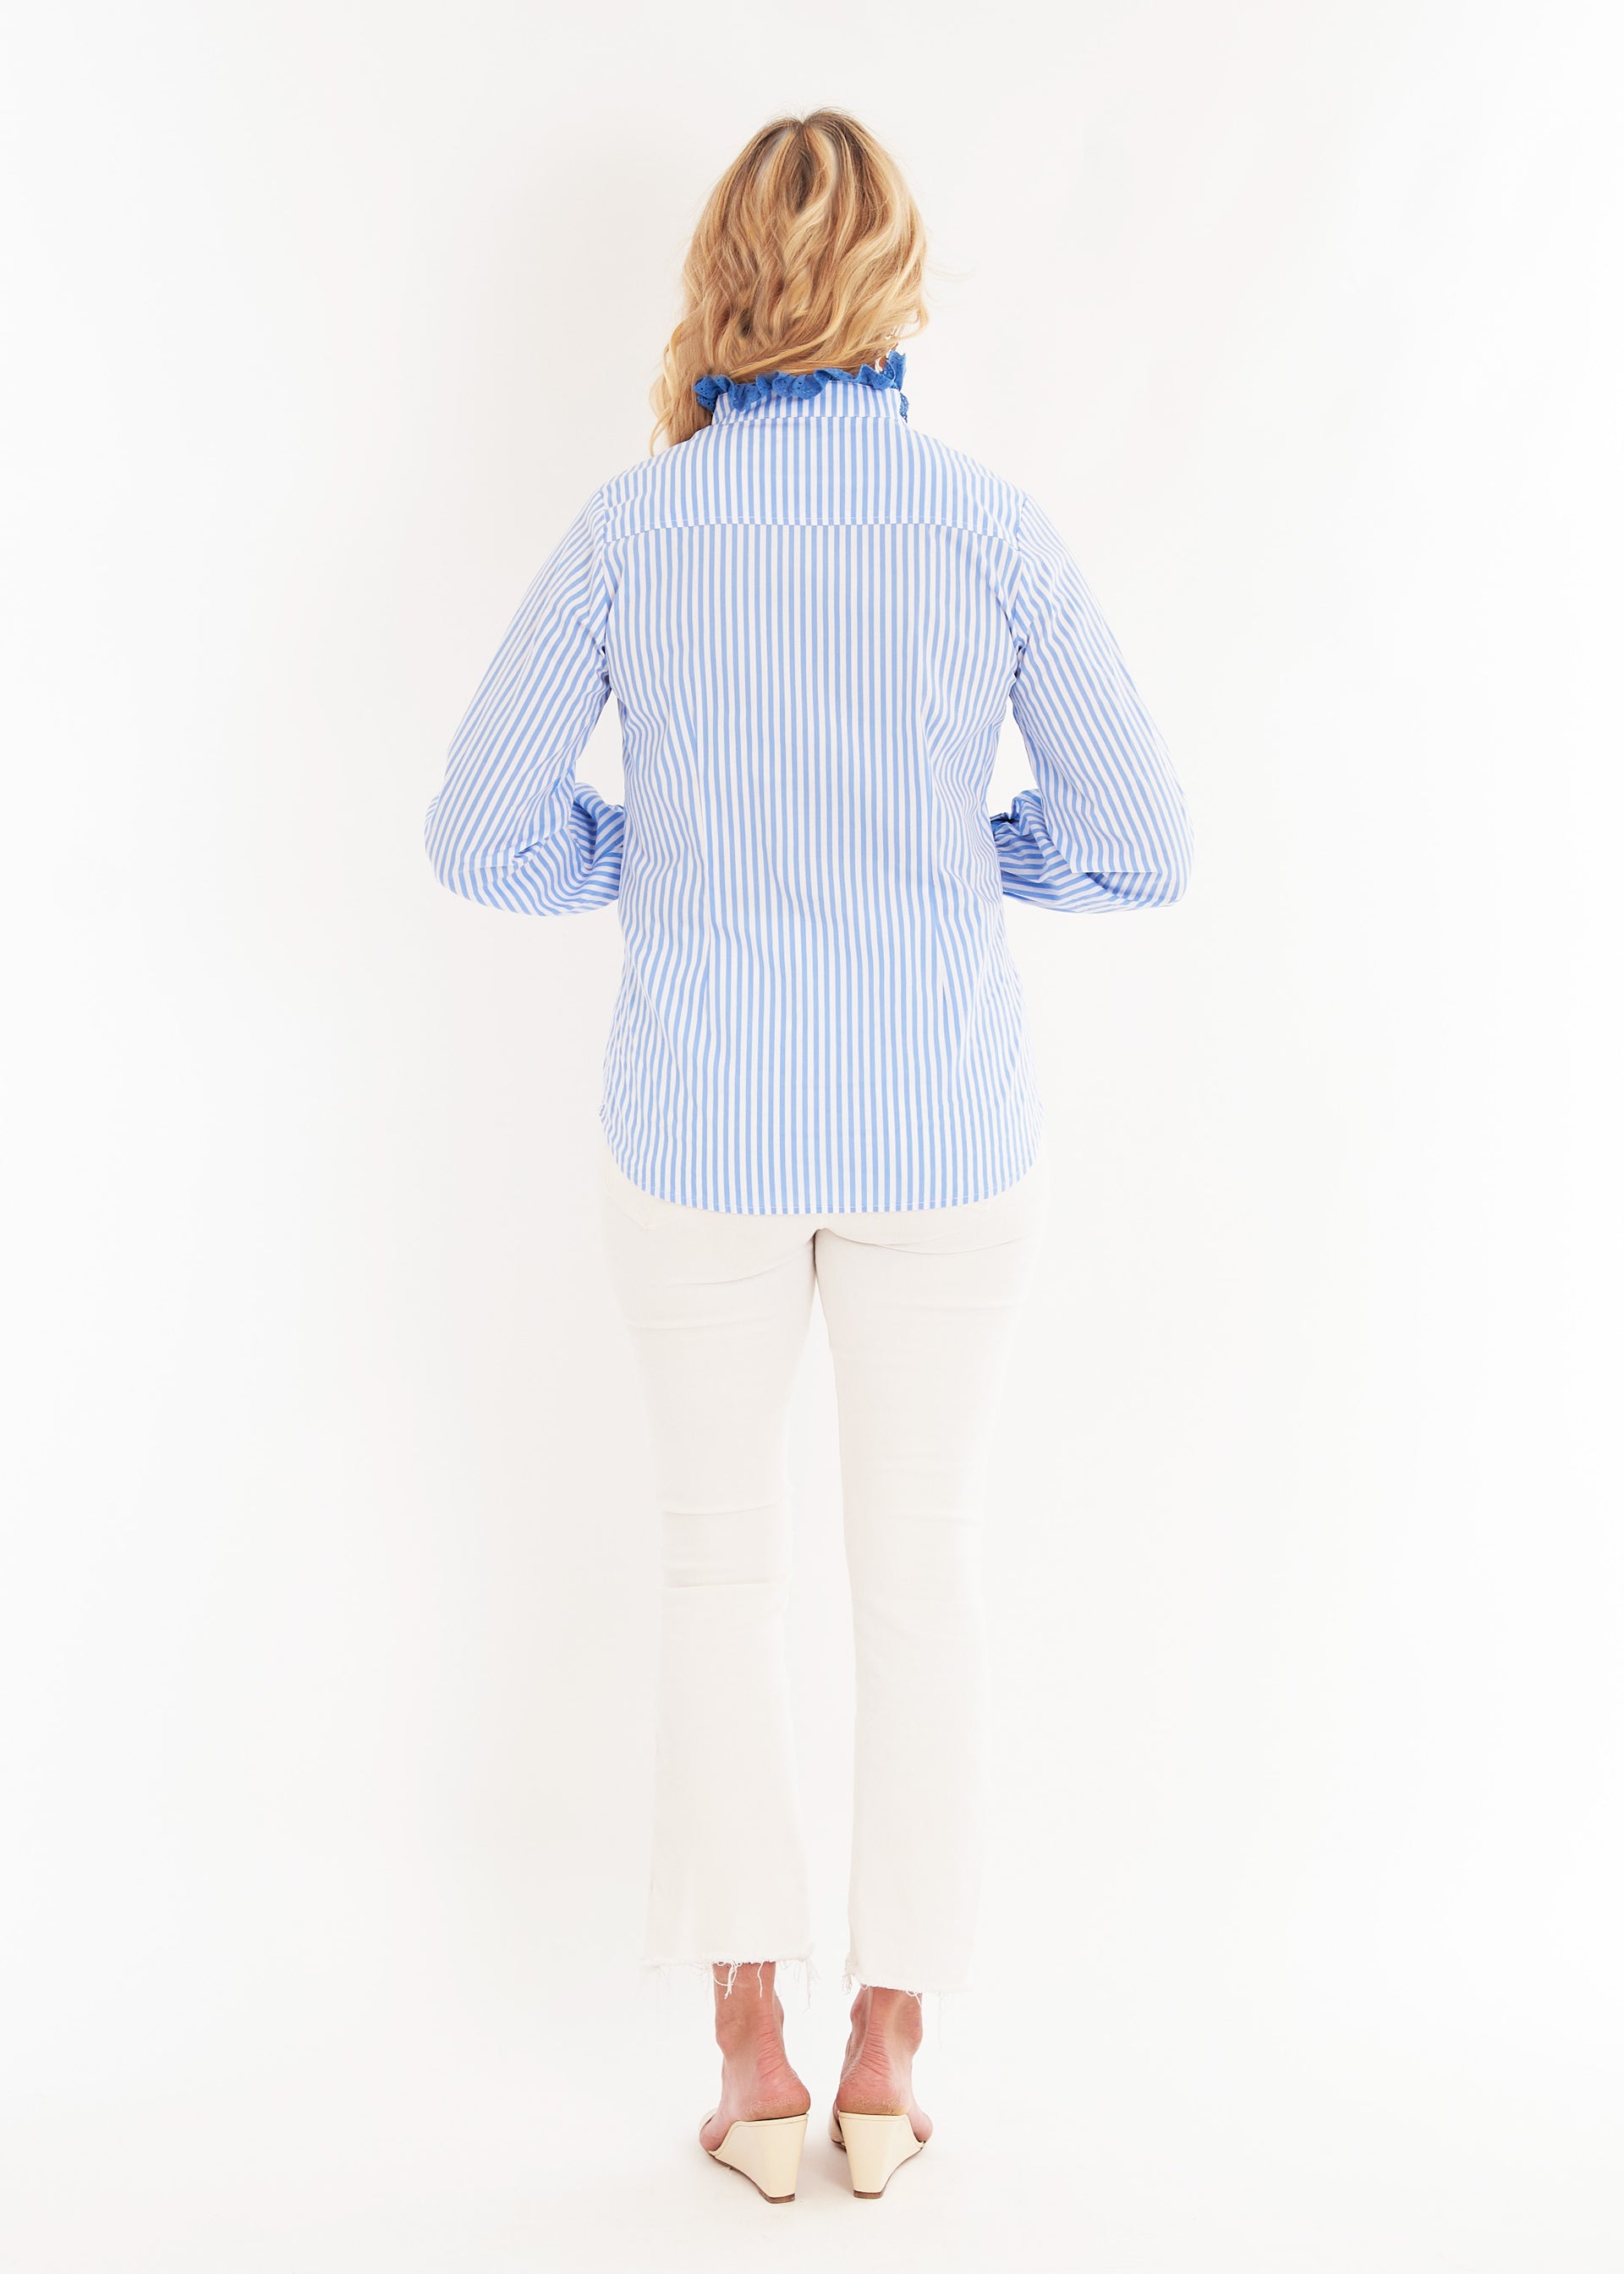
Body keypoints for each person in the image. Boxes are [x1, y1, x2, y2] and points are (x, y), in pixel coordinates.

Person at [423, 108, 1192, 2205]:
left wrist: (656, 864)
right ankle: (889, 2055)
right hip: (944, 1128)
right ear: (899, 286)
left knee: (717, 1565)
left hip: (699, 1130)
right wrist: (965, 862)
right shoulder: (989, 528)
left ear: (720, 280)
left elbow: (479, 836)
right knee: (919, 1572)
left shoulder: (633, 530)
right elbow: (1145, 845)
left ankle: (752, 2059)